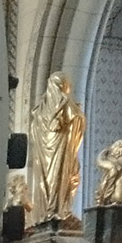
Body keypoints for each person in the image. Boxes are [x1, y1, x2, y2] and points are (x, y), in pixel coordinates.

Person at [29, 71, 86, 221]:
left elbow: (34, 133)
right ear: (63, 85)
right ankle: (56, 211)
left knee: (46, 182)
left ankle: (46, 213)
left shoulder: (40, 110)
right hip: (60, 151)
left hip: (43, 157)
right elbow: (78, 118)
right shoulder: (65, 103)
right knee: (59, 179)